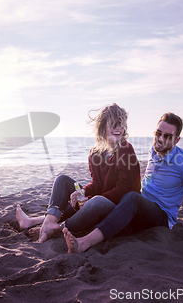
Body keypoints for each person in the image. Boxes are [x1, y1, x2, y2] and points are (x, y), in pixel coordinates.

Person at [63, 112, 183, 253]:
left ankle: (84, 244)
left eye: (167, 136)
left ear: (177, 140)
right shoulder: (154, 149)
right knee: (108, 203)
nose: (160, 139)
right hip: (138, 207)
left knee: (131, 197)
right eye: (158, 133)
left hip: (161, 215)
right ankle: (56, 226)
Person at [16, 103, 141, 242]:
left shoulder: (125, 149)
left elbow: (126, 190)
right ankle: (48, 222)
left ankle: (59, 228)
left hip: (119, 212)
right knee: (62, 180)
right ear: (103, 127)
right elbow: (97, 183)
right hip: (100, 202)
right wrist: (83, 192)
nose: (119, 129)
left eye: (122, 125)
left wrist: (92, 199)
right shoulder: (95, 153)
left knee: (96, 202)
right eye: (114, 124)